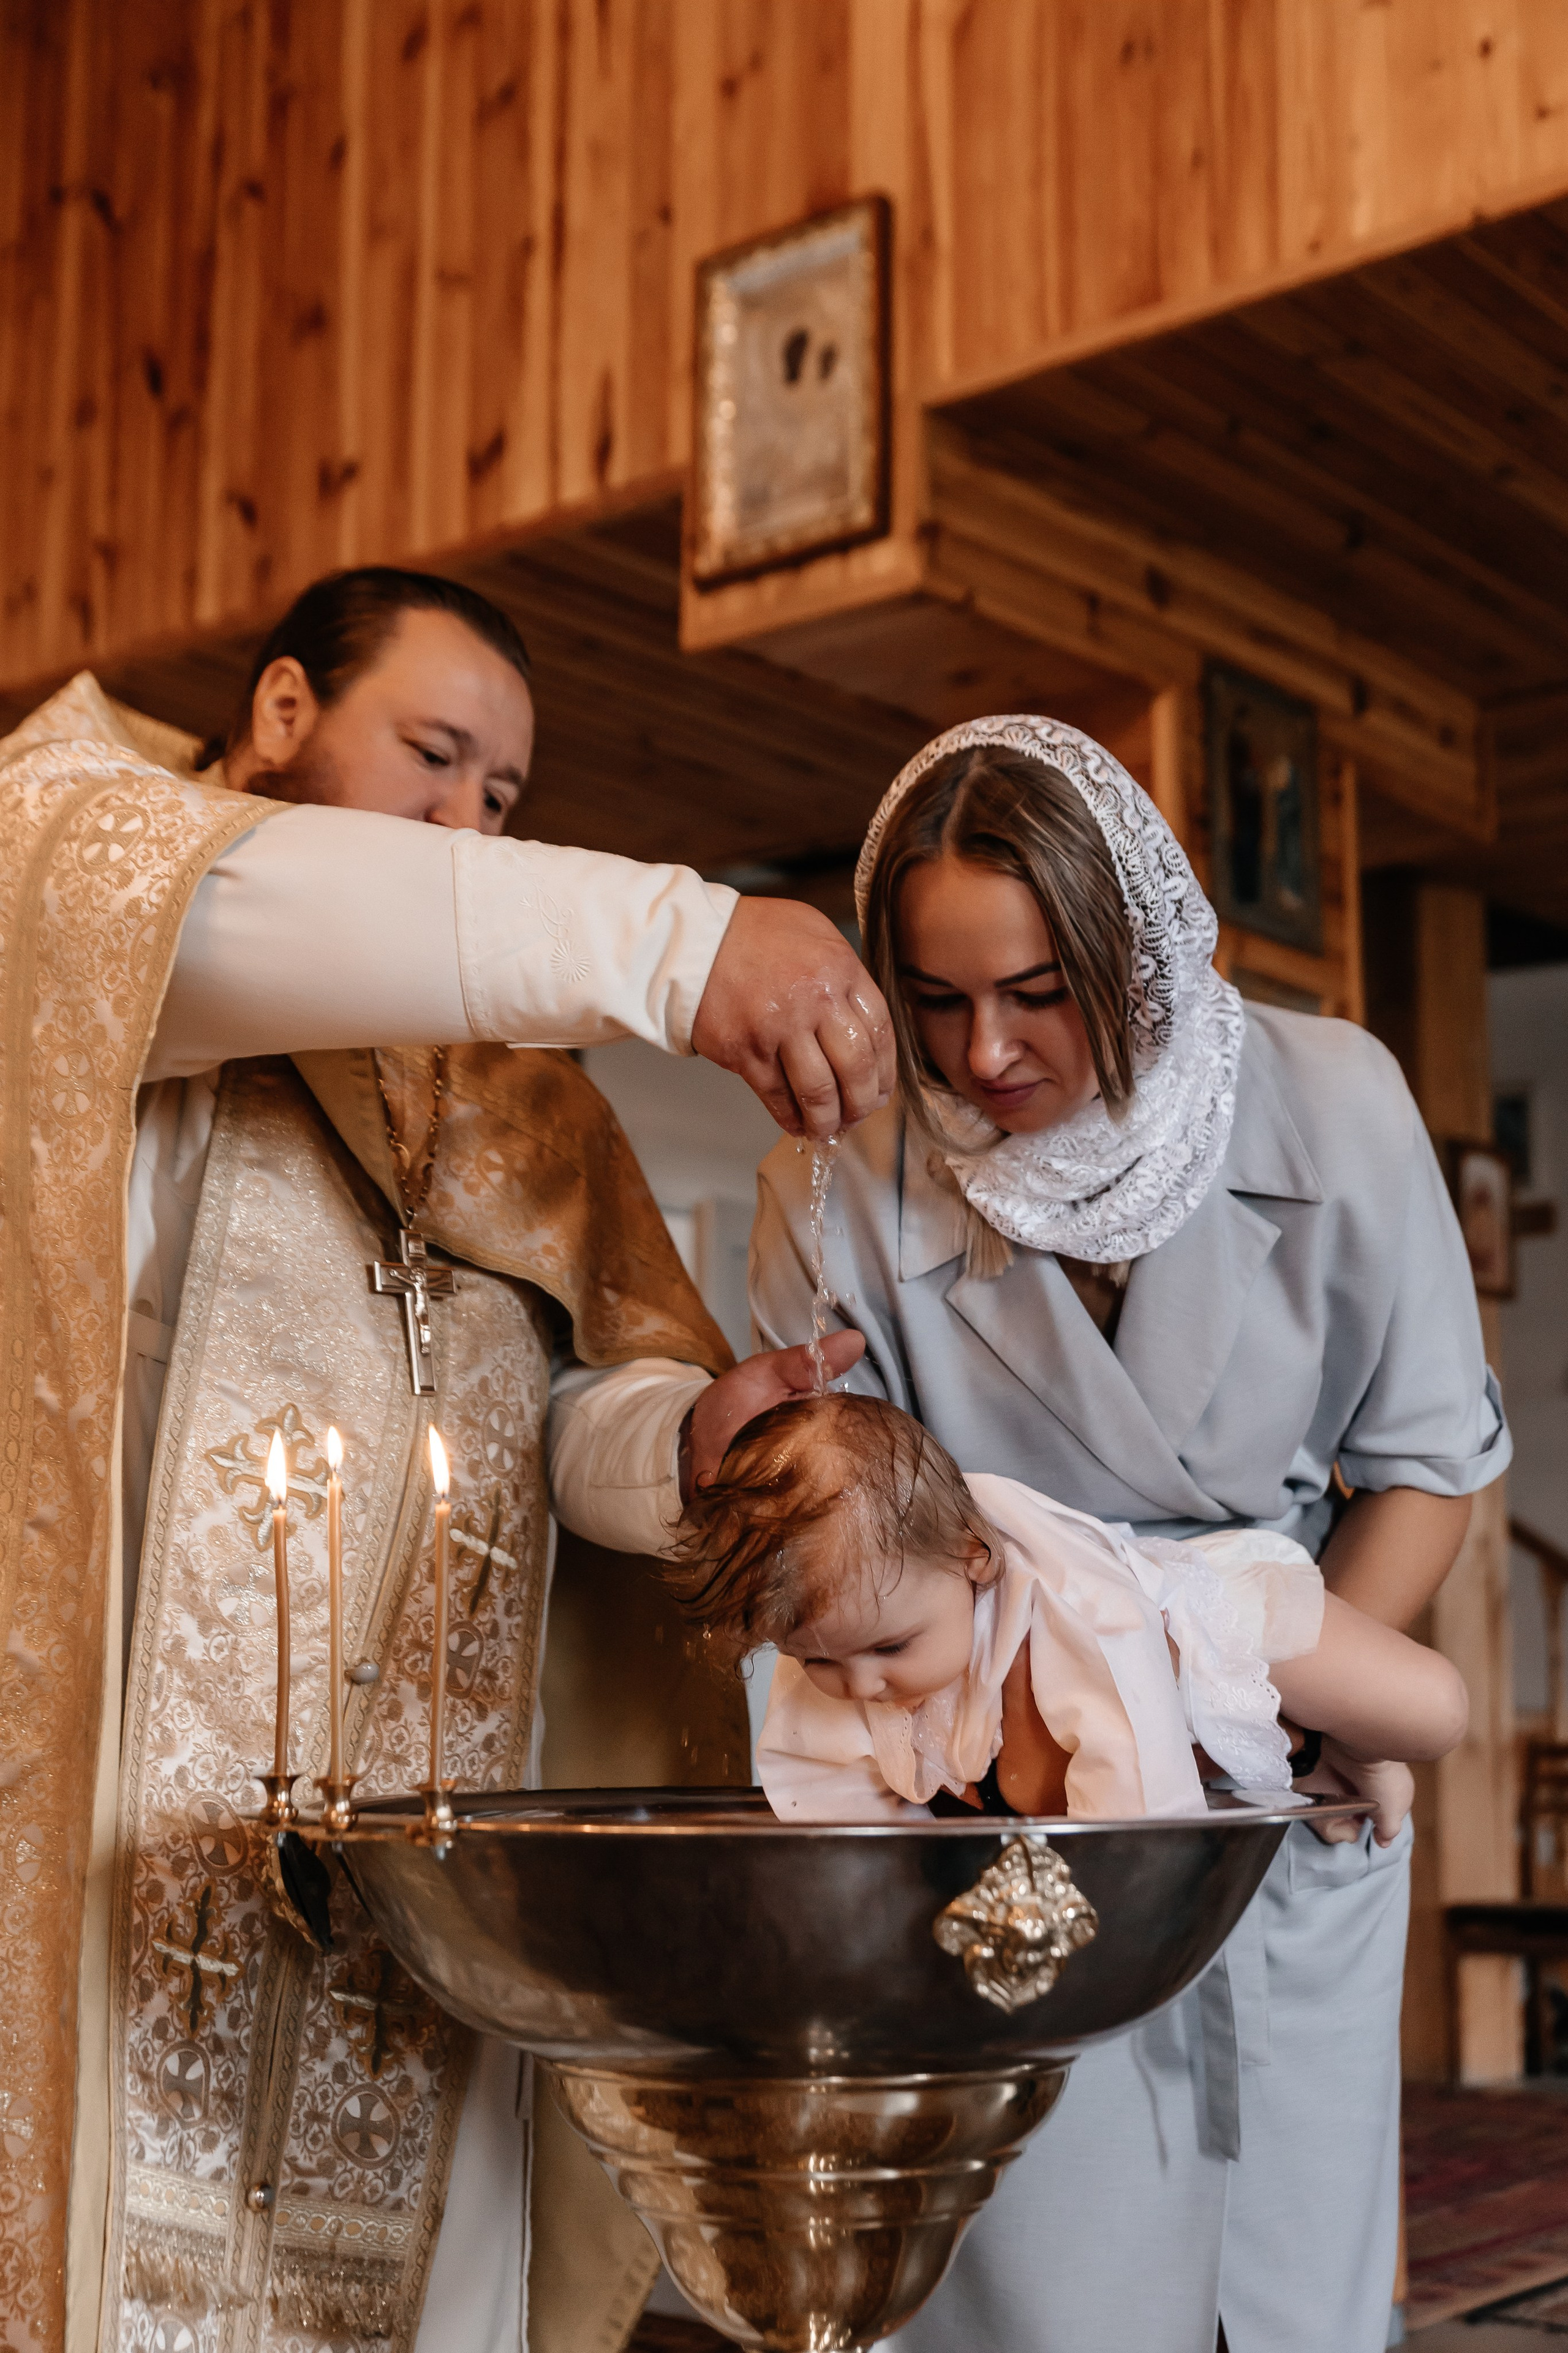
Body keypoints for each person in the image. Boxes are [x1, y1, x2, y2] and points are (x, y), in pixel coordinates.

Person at [0, 567, 891, 2353]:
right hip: (128, 1843)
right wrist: (685, 940)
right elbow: (263, 903)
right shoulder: (87, 874)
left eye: (503, 792)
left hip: (428, 1859)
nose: (467, 818)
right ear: (278, 713)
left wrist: (680, 1444)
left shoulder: (516, 1097)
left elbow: (565, 1419)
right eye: (433, 752)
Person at [730, 717, 1509, 2353]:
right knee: (1047, 2278)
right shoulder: (837, 1185)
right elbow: (845, 1537)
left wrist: (1292, 1709)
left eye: (1037, 990)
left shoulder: (1333, 1104)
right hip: (999, 1769)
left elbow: (1427, 1461)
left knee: (1286, 2281)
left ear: (1132, 946)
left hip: (1283, 1728)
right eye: (933, 999)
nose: (985, 1052)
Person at [669, 1392, 1467, 1841]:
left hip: (1201, 1618)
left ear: (973, 1558)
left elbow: (1137, 1802)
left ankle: (1354, 1747)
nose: (860, 1684)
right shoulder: (842, 1620)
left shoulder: (1076, 1608)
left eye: (891, 1647)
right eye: (818, 1660)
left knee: (1431, 1712)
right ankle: (1308, 1756)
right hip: (1136, 1716)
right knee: (1040, 1780)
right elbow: (821, 1789)